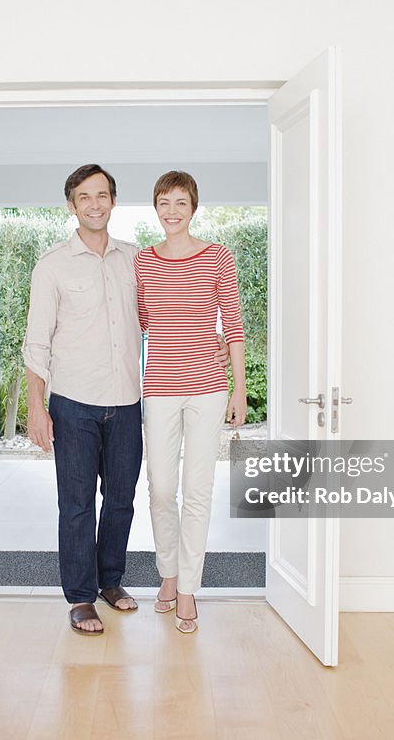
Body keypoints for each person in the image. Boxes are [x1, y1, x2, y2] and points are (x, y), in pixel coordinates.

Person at [22, 164, 142, 635]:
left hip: (127, 401)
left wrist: (207, 340)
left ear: (113, 201)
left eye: (104, 195)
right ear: (71, 205)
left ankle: (110, 581)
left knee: (121, 500)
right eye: (85, 196)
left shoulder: (134, 260)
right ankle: (79, 596)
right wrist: (37, 407)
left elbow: (165, 315)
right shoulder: (52, 265)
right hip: (73, 402)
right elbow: (36, 343)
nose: (96, 203)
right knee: (75, 503)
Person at [135, 170, 246, 634]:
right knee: (161, 489)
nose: (172, 211)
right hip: (159, 387)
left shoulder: (218, 257)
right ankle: (167, 571)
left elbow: (234, 326)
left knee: (198, 491)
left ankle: (186, 589)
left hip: (206, 388)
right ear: (156, 208)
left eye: (181, 202)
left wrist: (238, 387)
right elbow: (141, 322)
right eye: (165, 202)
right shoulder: (143, 261)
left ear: (194, 207)